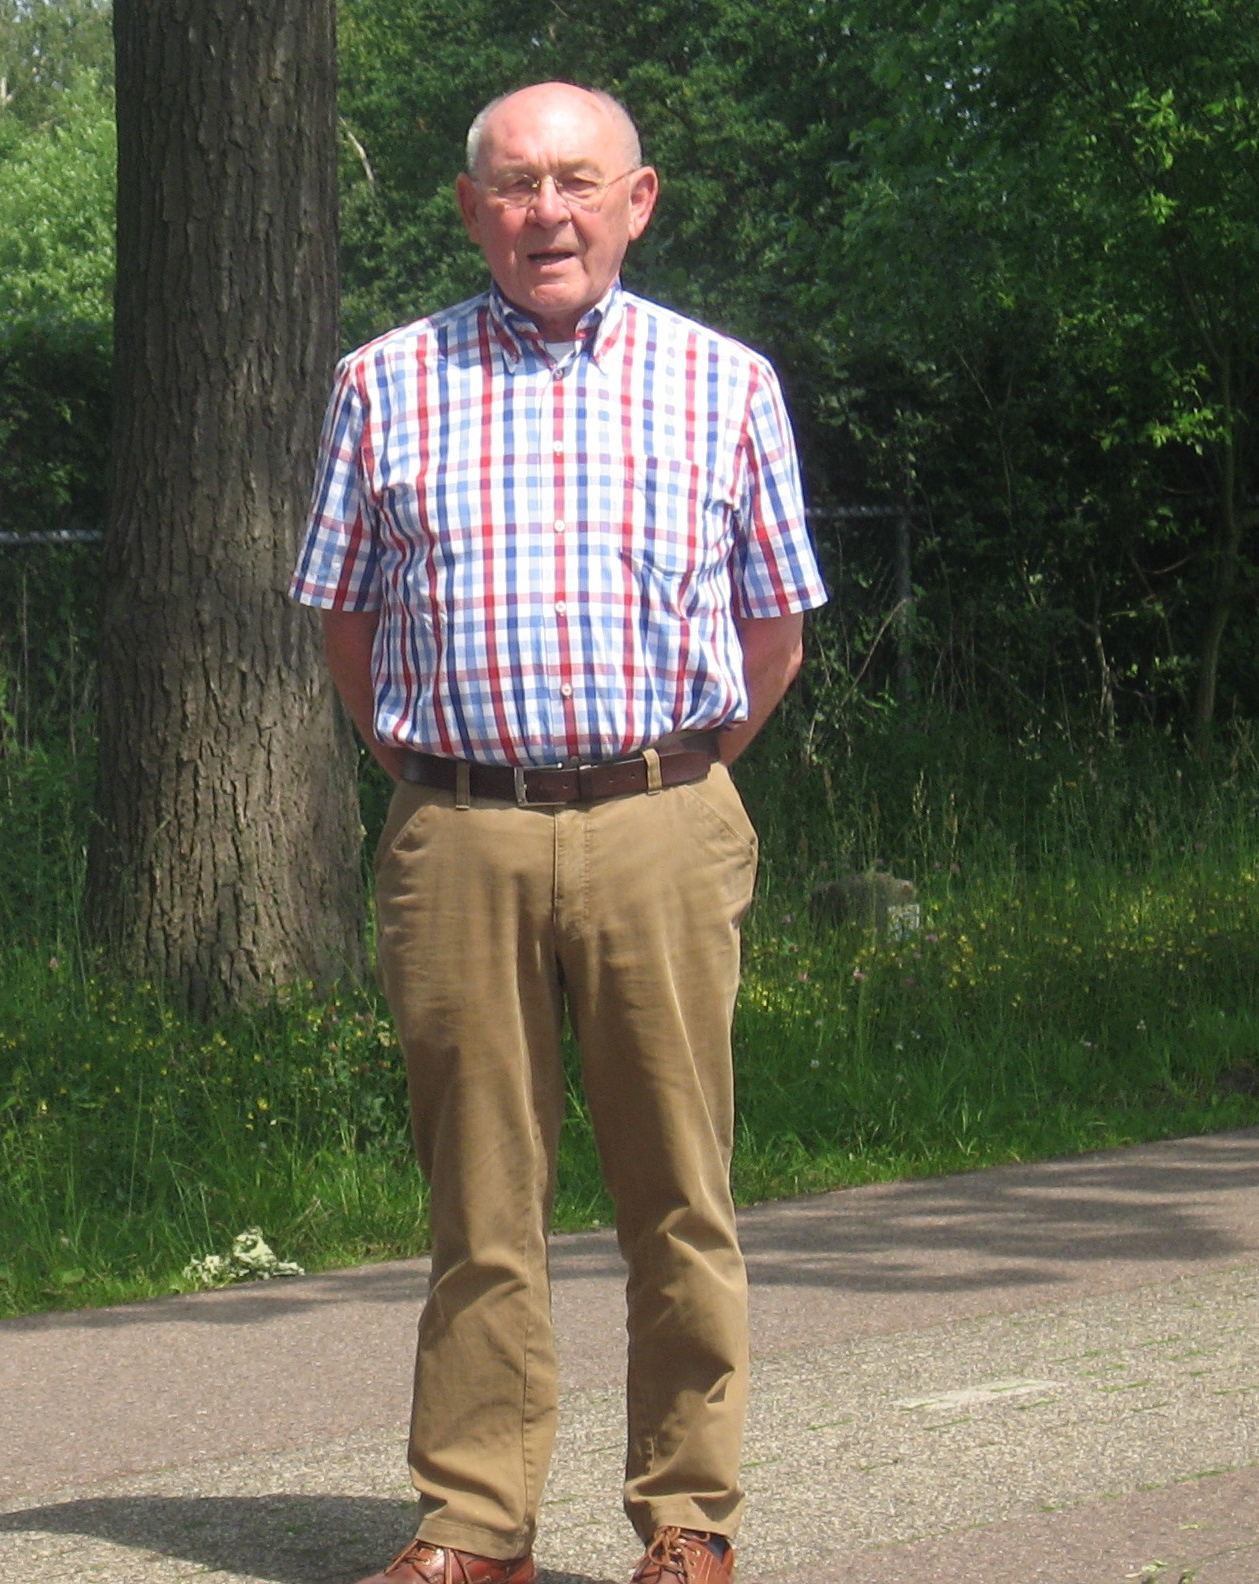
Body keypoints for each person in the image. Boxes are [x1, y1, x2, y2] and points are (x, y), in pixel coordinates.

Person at [291, 83, 827, 1584]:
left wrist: (685, 771)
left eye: (577, 184)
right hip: (458, 827)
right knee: (480, 1202)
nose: (548, 215)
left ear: (637, 200)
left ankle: (688, 1516)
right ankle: (473, 1523)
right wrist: (417, 752)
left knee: (680, 1190)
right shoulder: (381, 383)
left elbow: (774, 624)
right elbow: (342, 611)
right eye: (515, 188)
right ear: (469, 211)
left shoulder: (725, 381)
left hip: (662, 818)